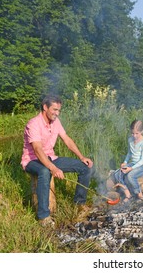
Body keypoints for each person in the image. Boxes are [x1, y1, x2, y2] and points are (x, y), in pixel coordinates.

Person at [21, 94, 94, 227]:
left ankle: (79, 204)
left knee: (85, 167)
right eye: (54, 110)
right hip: (32, 160)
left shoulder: (56, 122)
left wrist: (81, 157)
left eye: (59, 110)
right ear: (45, 107)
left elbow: (66, 139)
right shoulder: (34, 124)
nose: (57, 113)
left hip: (51, 157)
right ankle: (44, 216)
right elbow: (37, 150)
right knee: (44, 171)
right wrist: (53, 168)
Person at [112, 120, 143, 203]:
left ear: (142, 131)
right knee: (117, 173)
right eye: (133, 133)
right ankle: (127, 193)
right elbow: (129, 153)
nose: (134, 136)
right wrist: (125, 162)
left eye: (137, 133)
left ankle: (140, 195)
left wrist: (131, 168)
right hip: (133, 163)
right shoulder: (130, 140)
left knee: (130, 176)